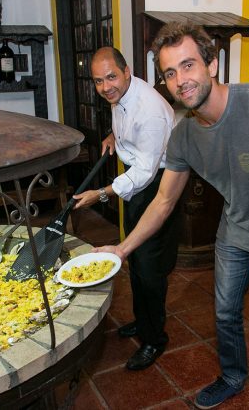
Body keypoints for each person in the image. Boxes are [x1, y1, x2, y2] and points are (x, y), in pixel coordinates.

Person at [94, 23, 249, 409]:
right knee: (226, 315)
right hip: (235, 230)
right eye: (169, 72)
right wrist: (122, 248)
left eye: (188, 66)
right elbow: (164, 201)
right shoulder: (183, 137)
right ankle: (233, 376)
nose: (180, 80)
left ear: (211, 65)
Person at [72, 47, 180, 370]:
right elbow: (126, 128)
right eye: (98, 81)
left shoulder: (150, 110)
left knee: (150, 268)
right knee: (134, 259)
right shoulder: (120, 98)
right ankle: (141, 321)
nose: (106, 87)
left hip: (158, 186)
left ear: (127, 71)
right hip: (138, 186)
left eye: (111, 77)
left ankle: (154, 339)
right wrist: (112, 137)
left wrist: (101, 194)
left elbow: (145, 171)